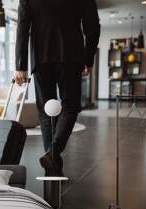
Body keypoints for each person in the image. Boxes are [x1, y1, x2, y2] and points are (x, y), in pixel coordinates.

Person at [14, 0, 100, 176]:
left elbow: (22, 27)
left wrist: (20, 65)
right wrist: (88, 58)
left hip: (40, 56)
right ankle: (53, 155)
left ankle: (52, 166)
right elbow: (92, 27)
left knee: (46, 112)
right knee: (70, 107)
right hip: (71, 55)